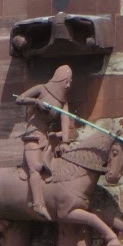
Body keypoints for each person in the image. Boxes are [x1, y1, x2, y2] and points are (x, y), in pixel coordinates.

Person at [13, 64, 75, 219]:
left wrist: (65, 142)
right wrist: (36, 102)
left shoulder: (63, 102)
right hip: (33, 134)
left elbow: (65, 122)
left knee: (51, 167)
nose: (68, 85)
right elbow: (19, 99)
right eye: (66, 81)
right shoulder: (42, 89)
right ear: (60, 79)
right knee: (35, 168)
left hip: (46, 138)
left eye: (70, 81)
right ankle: (38, 204)